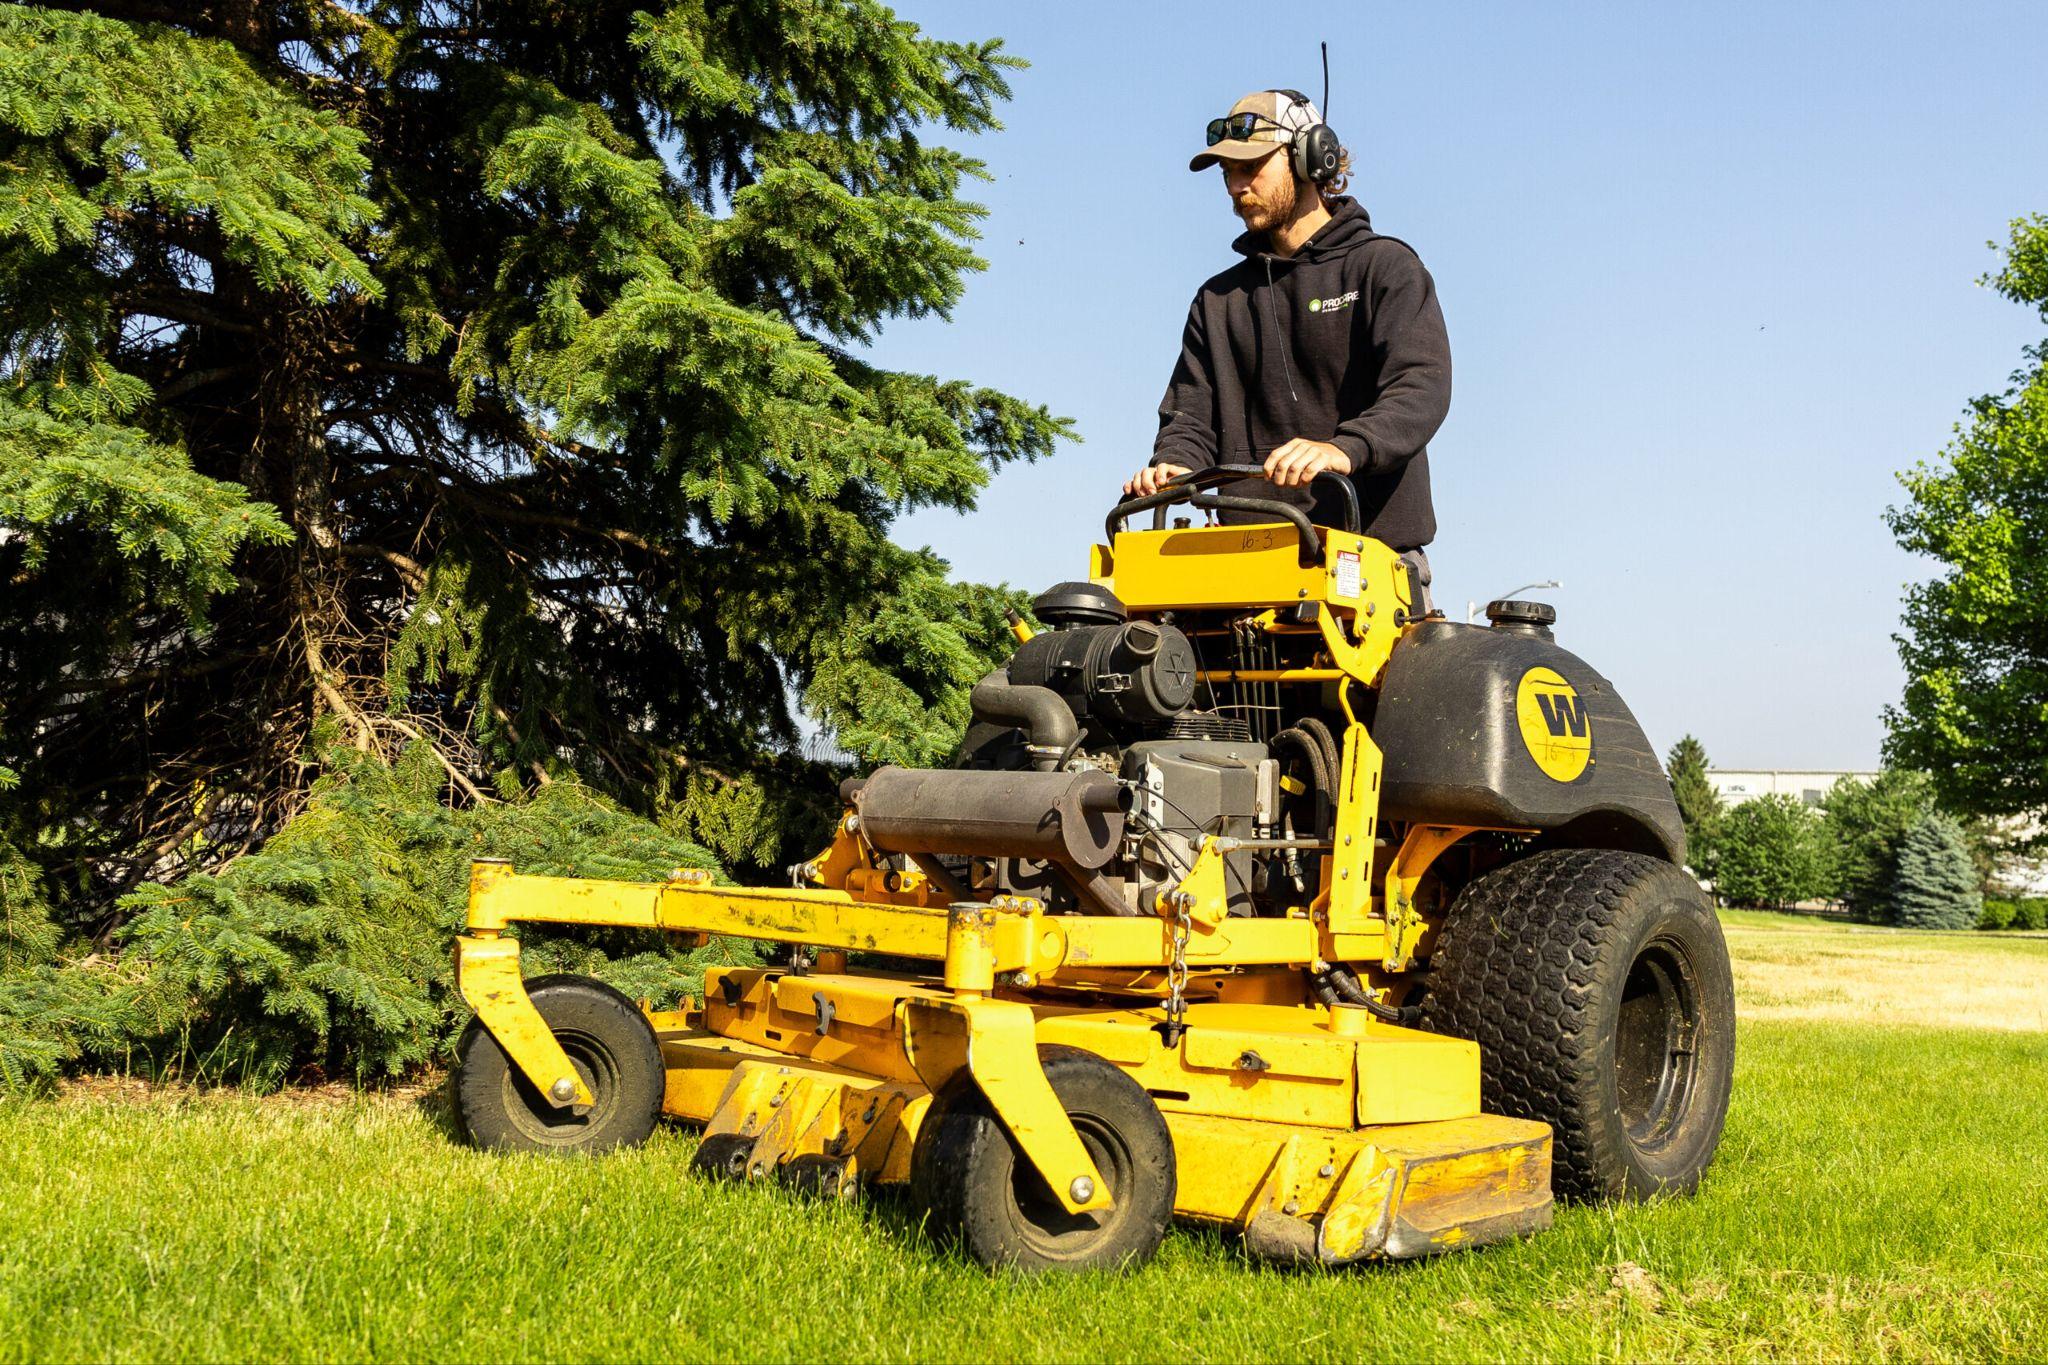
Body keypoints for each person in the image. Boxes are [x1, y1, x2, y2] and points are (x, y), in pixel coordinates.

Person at [1124, 88, 1451, 605]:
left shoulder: (1385, 269)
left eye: (1251, 165)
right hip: (1244, 569)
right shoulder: (1218, 300)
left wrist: (1342, 449)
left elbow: (1419, 390)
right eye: (1227, 172)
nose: (1236, 185)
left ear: (1310, 158)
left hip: (1367, 566)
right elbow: (1189, 420)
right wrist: (1175, 465)